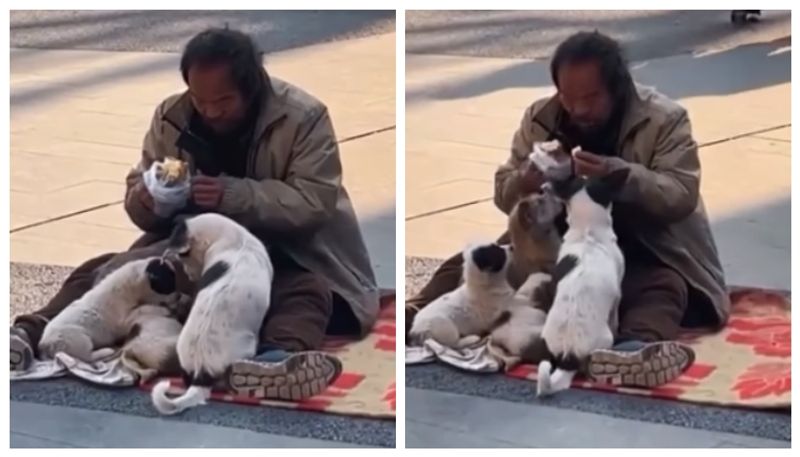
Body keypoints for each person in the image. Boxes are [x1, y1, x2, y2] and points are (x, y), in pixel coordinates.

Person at [10, 28, 380, 401]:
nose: (211, 110)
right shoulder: (173, 115)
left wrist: (233, 194)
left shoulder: (302, 117)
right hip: (193, 250)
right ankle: (28, 333)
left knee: (305, 293)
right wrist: (149, 199)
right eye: (200, 99)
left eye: (224, 100)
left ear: (250, 89)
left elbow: (313, 201)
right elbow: (142, 185)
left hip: (286, 251)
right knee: (108, 268)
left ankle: (272, 361)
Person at [406, 31, 730, 387]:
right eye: (567, 97)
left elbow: (681, 193)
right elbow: (504, 192)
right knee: (476, 261)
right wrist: (525, 181)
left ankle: (629, 351)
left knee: (662, 288)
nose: (578, 110)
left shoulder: (664, 119)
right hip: (555, 246)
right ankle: (415, 315)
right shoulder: (542, 117)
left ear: (618, 88)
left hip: (640, 247)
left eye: (591, 98)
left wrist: (621, 175)